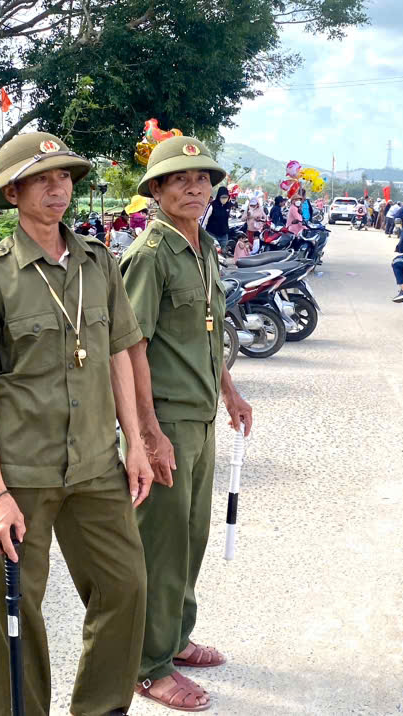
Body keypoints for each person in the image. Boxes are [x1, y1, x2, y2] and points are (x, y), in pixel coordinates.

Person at [0, 132, 151, 716]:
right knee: (16, 612)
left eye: (64, 177)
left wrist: (135, 442)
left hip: (95, 466)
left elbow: (118, 354)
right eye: (41, 179)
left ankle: (100, 708)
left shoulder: (98, 263)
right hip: (22, 475)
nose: (58, 188)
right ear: (12, 193)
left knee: (126, 586)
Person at [120, 136, 253, 713]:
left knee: (191, 537)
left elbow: (208, 331)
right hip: (166, 419)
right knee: (161, 544)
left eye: (203, 179)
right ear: (156, 189)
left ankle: (175, 637)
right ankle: (147, 666)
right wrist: (147, 433)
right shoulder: (150, 255)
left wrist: (230, 391)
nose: (195, 188)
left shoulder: (204, 247)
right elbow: (130, 348)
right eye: (180, 179)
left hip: (200, 415)